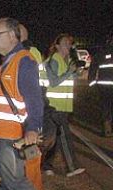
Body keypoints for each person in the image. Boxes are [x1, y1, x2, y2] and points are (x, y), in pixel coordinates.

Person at [0, 18, 63, 190]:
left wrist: (33, 128)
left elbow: (34, 98)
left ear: (12, 35)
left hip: (13, 137)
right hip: (0, 135)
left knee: (16, 181)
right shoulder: (8, 61)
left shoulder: (24, 61)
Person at [42, 34, 86, 177]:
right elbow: (54, 81)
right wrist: (69, 72)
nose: (69, 45)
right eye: (66, 43)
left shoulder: (64, 60)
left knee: (52, 138)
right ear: (57, 46)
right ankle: (71, 168)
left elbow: (66, 79)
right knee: (64, 136)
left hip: (61, 105)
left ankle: (45, 166)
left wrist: (75, 72)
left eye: (70, 43)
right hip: (54, 105)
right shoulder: (53, 60)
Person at [19, 23, 46, 190]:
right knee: (27, 155)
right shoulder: (24, 54)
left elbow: (34, 88)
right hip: (26, 113)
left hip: (28, 114)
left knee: (30, 154)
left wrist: (33, 124)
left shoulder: (27, 55)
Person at [89, 34, 113, 136]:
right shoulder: (102, 53)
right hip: (106, 86)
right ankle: (108, 128)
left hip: (103, 86)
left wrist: (93, 84)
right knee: (107, 106)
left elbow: (93, 69)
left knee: (106, 106)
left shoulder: (100, 53)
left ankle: (107, 128)